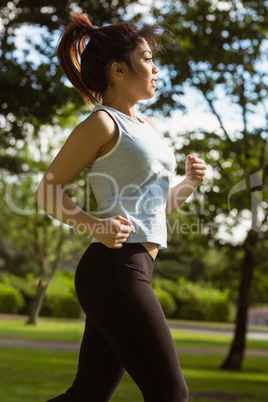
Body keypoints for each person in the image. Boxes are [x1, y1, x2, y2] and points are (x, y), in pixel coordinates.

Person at [36, 12, 206, 402]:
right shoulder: (102, 124)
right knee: (171, 394)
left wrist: (190, 183)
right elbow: (46, 191)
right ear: (117, 69)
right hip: (114, 268)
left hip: (131, 267)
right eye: (147, 58)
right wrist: (94, 224)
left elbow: (153, 211)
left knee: (89, 393)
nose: (155, 67)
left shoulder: (149, 128)